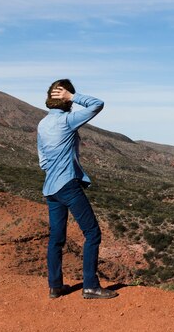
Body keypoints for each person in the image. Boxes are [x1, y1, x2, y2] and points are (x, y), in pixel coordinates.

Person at [37, 79, 117, 299]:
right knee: (92, 233)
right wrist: (72, 97)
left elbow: (42, 160)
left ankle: (55, 286)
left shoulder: (42, 124)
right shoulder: (67, 121)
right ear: (63, 98)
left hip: (50, 189)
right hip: (68, 186)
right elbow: (97, 104)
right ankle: (90, 286)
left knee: (56, 238)